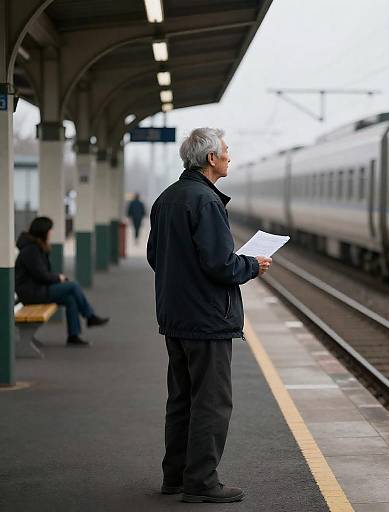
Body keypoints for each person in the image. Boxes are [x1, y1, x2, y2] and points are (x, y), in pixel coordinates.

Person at [147, 128, 272, 503]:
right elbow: (221, 265)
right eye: (226, 152)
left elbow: (156, 256)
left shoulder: (167, 198)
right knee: (211, 402)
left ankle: (176, 476)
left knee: (182, 398)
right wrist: (253, 265)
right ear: (211, 159)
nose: (230, 157)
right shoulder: (206, 202)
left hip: (175, 316)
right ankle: (201, 481)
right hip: (207, 320)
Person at [15, 216, 110, 347]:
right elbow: (41, 275)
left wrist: (57, 278)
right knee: (72, 286)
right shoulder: (31, 250)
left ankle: (73, 336)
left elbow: (41, 273)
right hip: (31, 293)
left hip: (37, 289)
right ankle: (90, 316)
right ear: (42, 231)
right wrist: (58, 278)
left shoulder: (36, 247)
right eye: (49, 230)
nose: (51, 233)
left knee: (70, 298)